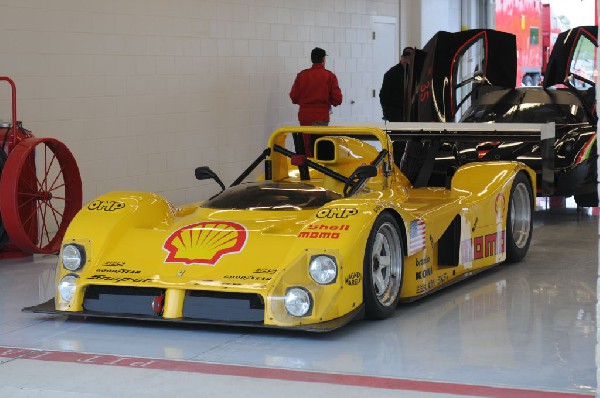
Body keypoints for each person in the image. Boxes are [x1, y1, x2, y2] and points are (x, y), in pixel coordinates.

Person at [290, 47, 343, 156]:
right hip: (321, 115)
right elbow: (338, 100)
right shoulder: (329, 76)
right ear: (324, 59)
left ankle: (306, 168)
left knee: (306, 144)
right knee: (319, 146)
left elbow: (293, 97)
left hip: (304, 115)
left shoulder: (302, 75)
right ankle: (317, 168)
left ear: (312, 59)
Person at [379, 47, 413, 122]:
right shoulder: (391, 73)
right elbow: (383, 95)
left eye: (409, 58)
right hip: (396, 113)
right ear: (401, 58)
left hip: (411, 113)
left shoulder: (416, 73)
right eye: (405, 57)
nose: (407, 60)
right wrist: (387, 111)